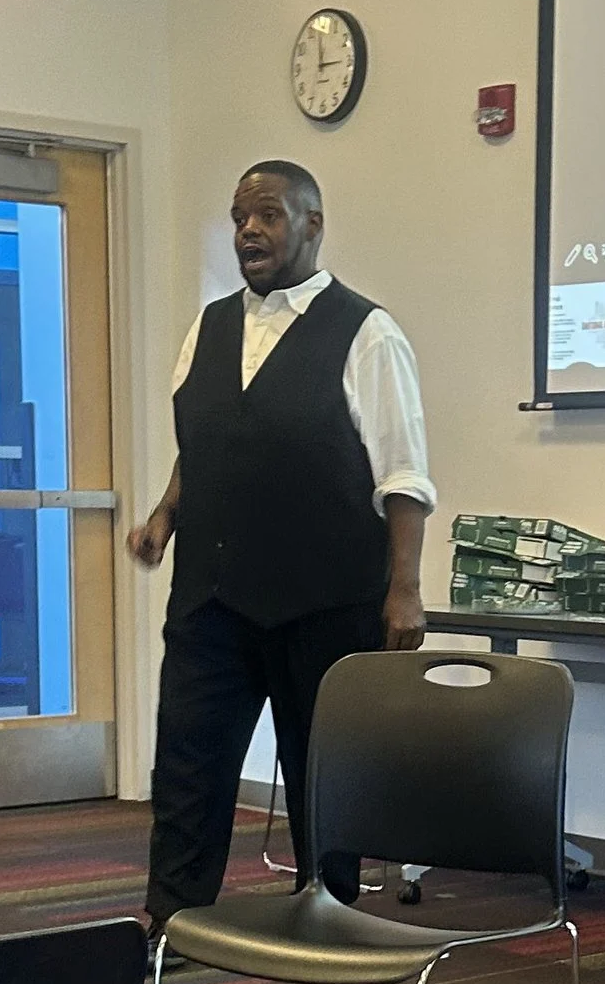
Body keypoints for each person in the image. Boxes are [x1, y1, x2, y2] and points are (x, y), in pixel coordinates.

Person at [130, 161, 432, 928]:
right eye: (239, 218)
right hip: (212, 598)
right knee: (188, 768)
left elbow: (402, 475)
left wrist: (404, 587)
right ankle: (172, 922)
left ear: (312, 223)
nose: (249, 232)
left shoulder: (368, 332)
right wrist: (165, 518)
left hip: (324, 600)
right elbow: (207, 441)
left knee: (320, 773)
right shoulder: (211, 324)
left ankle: (328, 913)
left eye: (267, 215)